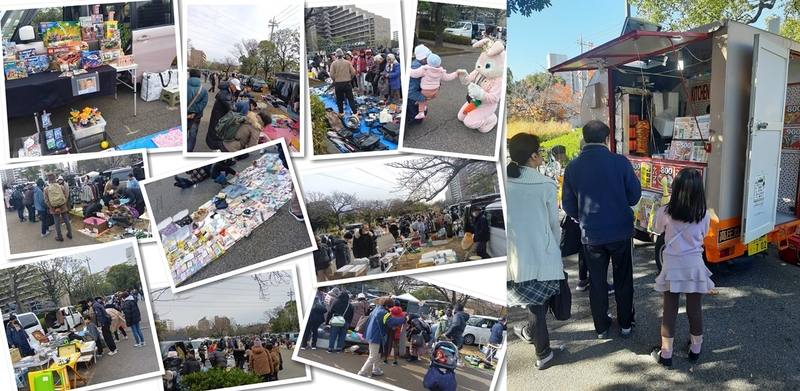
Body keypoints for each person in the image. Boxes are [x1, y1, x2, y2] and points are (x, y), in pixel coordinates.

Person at [562, 120, 642, 339]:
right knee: (623, 278)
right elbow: (634, 197)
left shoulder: (572, 167)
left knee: (597, 283)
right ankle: (626, 324)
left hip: (592, 235)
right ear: (607, 139)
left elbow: (567, 205)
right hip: (621, 232)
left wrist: (583, 217)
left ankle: (602, 327)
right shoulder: (620, 162)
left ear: (585, 139)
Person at [505, 133, 566, 369]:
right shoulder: (547, 184)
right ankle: (543, 354)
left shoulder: (506, 182)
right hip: (542, 253)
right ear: (533, 156)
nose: (541, 154)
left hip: (515, 257)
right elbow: (554, 226)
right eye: (540, 151)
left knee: (534, 304)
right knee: (538, 304)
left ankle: (532, 336)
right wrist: (556, 249)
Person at [650, 168, 715, 367]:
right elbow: (703, 236)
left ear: (676, 189)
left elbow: (656, 229)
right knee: (694, 310)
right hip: (695, 266)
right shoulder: (704, 215)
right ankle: (695, 350)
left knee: (669, 311)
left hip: (672, 266)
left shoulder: (666, 212)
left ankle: (666, 354)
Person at [358, 297, 407, 378]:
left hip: (371, 335)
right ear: (387, 305)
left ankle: (376, 370)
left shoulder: (377, 309)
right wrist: (404, 319)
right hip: (375, 337)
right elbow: (393, 321)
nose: (392, 308)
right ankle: (362, 372)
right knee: (373, 356)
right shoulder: (384, 313)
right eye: (391, 306)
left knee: (377, 354)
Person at [408, 53, 461, 119]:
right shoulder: (440, 71)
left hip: (426, 90)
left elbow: (414, 74)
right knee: (426, 97)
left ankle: (421, 113)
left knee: (421, 100)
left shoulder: (425, 69)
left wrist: (408, 69)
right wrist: (456, 74)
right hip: (435, 90)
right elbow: (448, 77)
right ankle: (424, 106)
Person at [206, 79, 237, 151]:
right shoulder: (225, 94)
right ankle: (215, 149)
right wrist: (235, 108)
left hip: (218, 116)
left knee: (214, 132)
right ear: (231, 84)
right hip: (219, 117)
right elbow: (230, 108)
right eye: (235, 87)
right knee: (216, 134)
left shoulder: (226, 91)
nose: (235, 89)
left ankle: (215, 148)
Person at [44, 172, 72, 242]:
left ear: (49, 180)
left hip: (54, 209)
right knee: (66, 220)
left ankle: (60, 236)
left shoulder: (46, 189)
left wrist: (54, 208)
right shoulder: (61, 187)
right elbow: (66, 197)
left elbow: (46, 201)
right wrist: (61, 206)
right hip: (63, 207)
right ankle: (69, 234)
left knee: (57, 222)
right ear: (55, 179)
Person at [329, 48, 357, 116]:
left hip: (338, 84)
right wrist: (349, 78)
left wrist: (335, 80)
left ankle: (341, 113)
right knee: (351, 99)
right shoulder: (347, 62)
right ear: (343, 55)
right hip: (347, 83)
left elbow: (331, 74)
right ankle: (355, 113)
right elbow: (353, 72)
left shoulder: (334, 63)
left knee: (339, 100)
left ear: (336, 55)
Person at [187, 68, 208, 152]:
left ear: (189, 75)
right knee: (192, 135)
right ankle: (189, 152)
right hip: (196, 117)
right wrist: (195, 111)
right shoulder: (203, 89)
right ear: (200, 76)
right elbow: (204, 103)